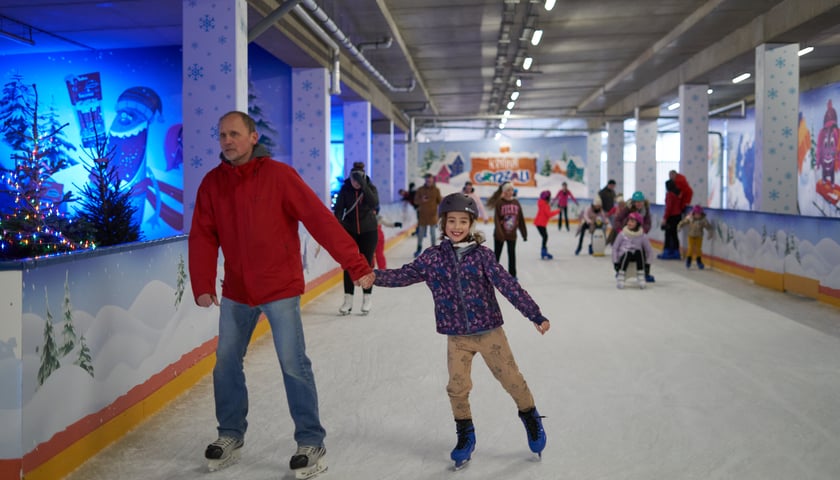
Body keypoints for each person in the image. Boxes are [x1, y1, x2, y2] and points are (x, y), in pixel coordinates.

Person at [189, 111, 375, 477]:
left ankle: (310, 440)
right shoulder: (212, 184)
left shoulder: (279, 177)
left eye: (234, 134)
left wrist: (356, 264)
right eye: (222, 134)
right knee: (225, 364)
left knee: (293, 364)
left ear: (253, 137)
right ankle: (230, 435)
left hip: (279, 287)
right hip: (238, 291)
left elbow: (320, 220)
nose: (227, 140)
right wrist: (202, 283)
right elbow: (203, 235)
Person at [372, 193, 550, 469]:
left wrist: (534, 314)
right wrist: (373, 276)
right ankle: (465, 435)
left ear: (471, 225)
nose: (457, 226)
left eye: (463, 221)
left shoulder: (482, 256)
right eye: (451, 221)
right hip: (457, 336)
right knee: (457, 388)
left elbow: (508, 286)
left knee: (512, 379)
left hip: (489, 332)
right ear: (443, 223)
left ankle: (530, 417)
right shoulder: (433, 258)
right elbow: (403, 275)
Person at [333, 161, 380, 315]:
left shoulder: (369, 188)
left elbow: (374, 203)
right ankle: (348, 300)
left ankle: (367, 297)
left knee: (366, 264)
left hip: (369, 231)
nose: (355, 183)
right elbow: (338, 209)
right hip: (350, 231)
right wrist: (339, 226)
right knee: (349, 264)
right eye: (353, 180)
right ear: (350, 179)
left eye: (358, 180)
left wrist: (364, 187)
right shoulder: (345, 190)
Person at [492, 182, 527, 278]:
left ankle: (513, 275)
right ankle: (493, 274)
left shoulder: (516, 203)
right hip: (500, 235)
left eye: (511, 190)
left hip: (512, 235)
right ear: (504, 192)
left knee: (512, 255)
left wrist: (524, 233)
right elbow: (497, 220)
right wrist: (500, 234)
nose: (510, 192)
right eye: (508, 190)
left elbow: (521, 219)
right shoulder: (499, 203)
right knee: (496, 255)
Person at [611, 212, 654, 289]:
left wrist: (648, 264)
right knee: (628, 253)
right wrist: (615, 262)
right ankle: (621, 275)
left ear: (638, 224)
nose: (629, 223)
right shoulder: (622, 234)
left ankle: (641, 275)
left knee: (639, 252)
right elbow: (615, 248)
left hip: (637, 256)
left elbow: (649, 250)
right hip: (624, 255)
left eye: (632, 221)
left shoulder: (642, 236)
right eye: (628, 221)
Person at [414, 173, 442, 257]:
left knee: (433, 233)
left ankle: (434, 249)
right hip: (422, 215)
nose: (429, 182)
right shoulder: (420, 190)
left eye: (430, 180)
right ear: (425, 181)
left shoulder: (436, 190)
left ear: (433, 180)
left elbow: (439, 201)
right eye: (427, 180)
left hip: (433, 215)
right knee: (420, 234)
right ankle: (419, 248)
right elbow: (415, 201)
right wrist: (421, 200)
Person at [678, 205, 713, 269]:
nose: (698, 215)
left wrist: (710, 233)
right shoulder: (690, 218)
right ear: (694, 213)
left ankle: (699, 261)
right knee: (690, 248)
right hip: (691, 235)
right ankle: (689, 260)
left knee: (698, 249)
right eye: (696, 213)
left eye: (699, 214)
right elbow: (683, 222)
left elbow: (708, 227)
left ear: (701, 213)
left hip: (699, 236)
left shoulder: (703, 220)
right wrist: (679, 226)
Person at [659, 179, 683, 260]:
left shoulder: (669, 194)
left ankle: (667, 252)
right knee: (674, 235)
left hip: (671, 217)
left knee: (668, 235)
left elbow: (668, 207)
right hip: (678, 216)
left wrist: (665, 218)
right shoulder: (678, 193)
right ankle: (676, 253)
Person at [534, 190, 561, 259]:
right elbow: (549, 214)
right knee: (545, 237)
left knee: (545, 237)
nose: (550, 199)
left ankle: (544, 251)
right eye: (549, 198)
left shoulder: (542, 203)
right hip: (541, 223)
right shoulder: (545, 205)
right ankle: (543, 252)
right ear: (547, 198)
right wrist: (558, 211)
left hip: (539, 223)